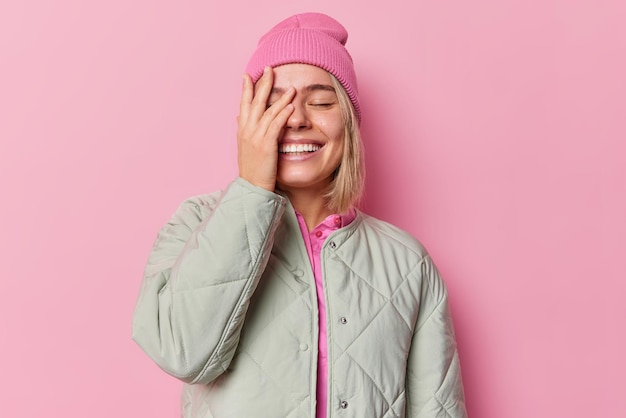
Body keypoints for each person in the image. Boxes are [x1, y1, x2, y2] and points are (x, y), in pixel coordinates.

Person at [132, 12, 467, 418]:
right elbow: (180, 351)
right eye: (273, 103)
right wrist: (253, 190)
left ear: (348, 119)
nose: (295, 118)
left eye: (321, 101)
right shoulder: (194, 225)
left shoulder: (408, 264)